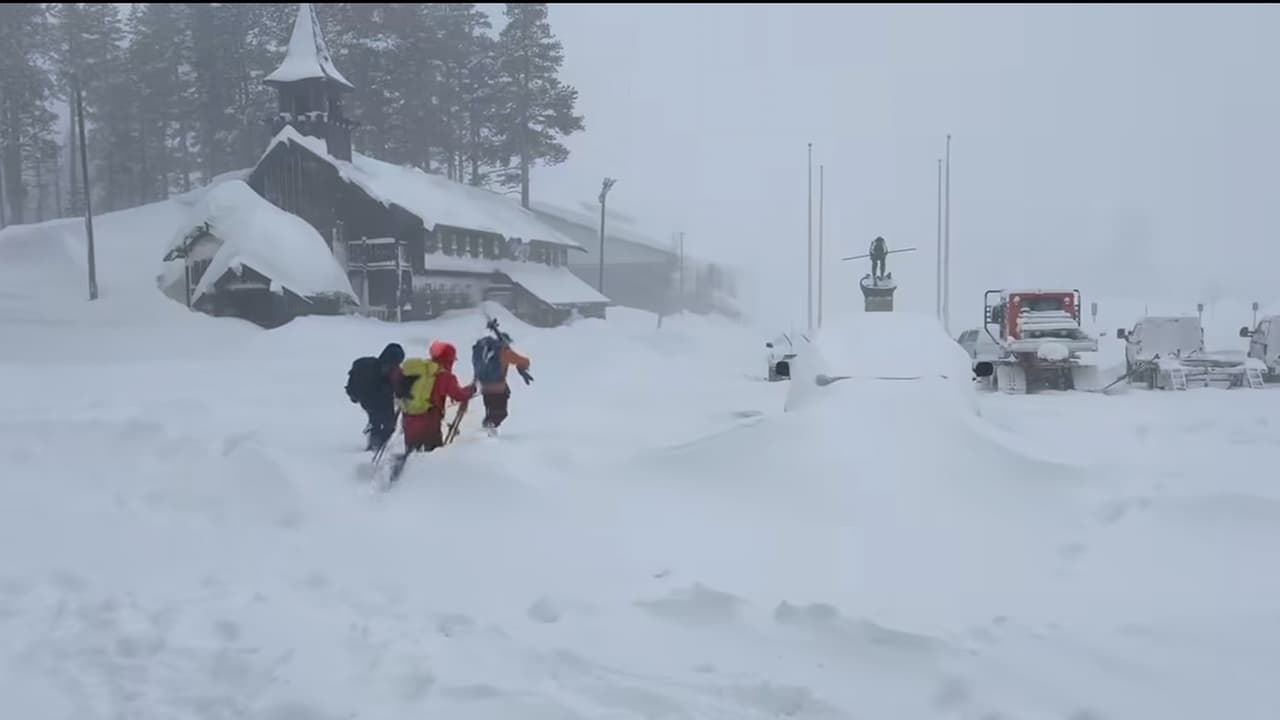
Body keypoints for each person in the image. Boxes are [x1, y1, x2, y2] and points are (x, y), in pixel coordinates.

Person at [396, 340, 475, 453]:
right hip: (429, 421)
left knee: (411, 453)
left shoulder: (420, 370)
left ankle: (402, 469)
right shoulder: (445, 376)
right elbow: (458, 395)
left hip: (409, 418)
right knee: (432, 454)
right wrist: (471, 390)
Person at [345, 342, 405, 451]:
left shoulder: (373, 365)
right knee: (386, 422)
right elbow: (397, 387)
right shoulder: (390, 369)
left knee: (376, 420)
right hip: (380, 400)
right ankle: (377, 445)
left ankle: (375, 442)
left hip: (366, 400)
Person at [472, 328, 531, 435]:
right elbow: (524, 361)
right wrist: (522, 367)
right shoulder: (504, 352)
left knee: (491, 411)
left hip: (485, 388)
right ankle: (487, 432)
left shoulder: (485, 351)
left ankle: (486, 432)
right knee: (501, 413)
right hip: (498, 388)